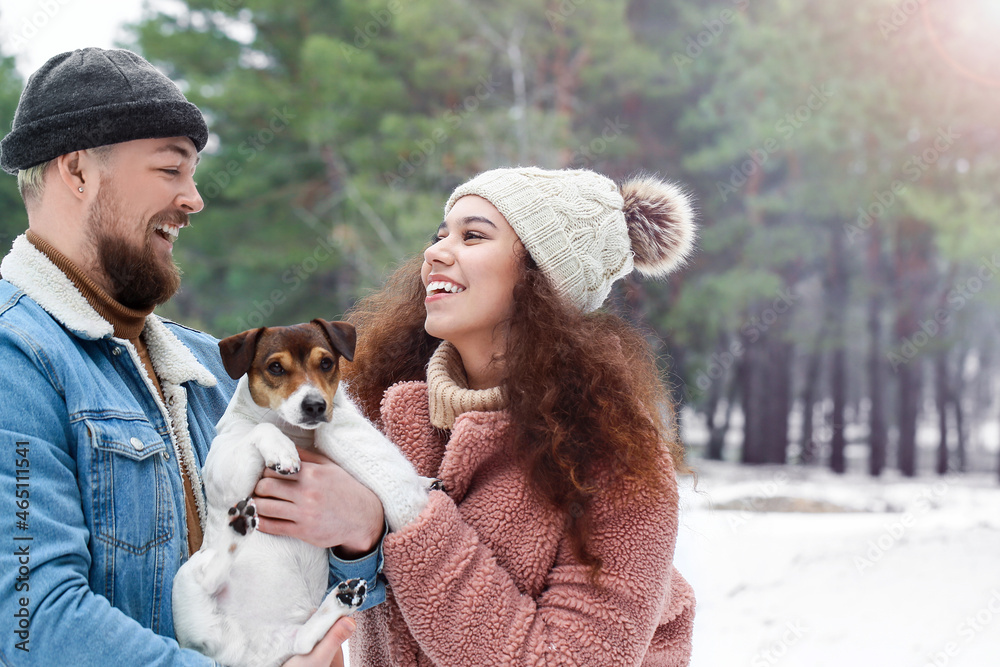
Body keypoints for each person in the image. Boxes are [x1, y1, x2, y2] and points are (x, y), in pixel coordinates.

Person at [0, 47, 383, 666]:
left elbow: (351, 584)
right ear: (76, 171)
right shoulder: (13, 357)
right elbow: (29, 626)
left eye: (194, 173)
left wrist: (359, 533)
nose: (194, 199)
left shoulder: (211, 369)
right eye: (170, 170)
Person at [342, 167, 698, 665]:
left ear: (541, 277)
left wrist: (407, 514)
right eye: (440, 234)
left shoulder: (614, 460)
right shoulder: (385, 423)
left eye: (473, 236)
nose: (435, 252)